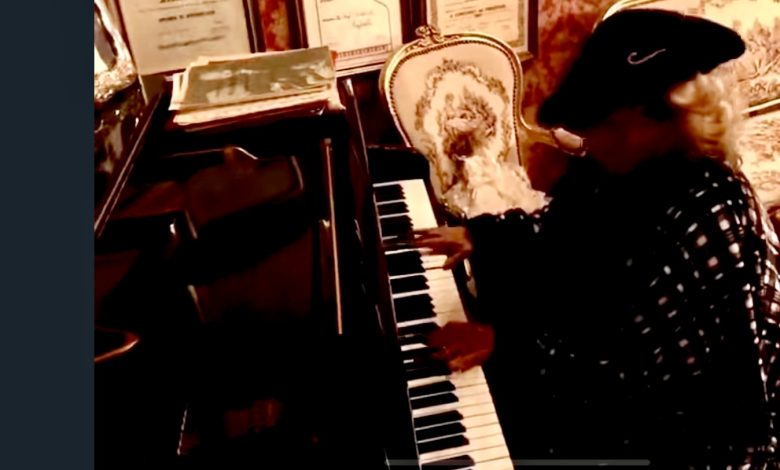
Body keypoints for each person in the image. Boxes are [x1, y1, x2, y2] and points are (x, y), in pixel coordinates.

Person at [414, 9, 780, 469]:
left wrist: (505, 345)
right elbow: (567, 232)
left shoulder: (711, 210)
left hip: (685, 443)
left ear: (666, 119)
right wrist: (481, 236)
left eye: (609, 125)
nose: (590, 141)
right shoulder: (622, 168)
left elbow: (655, 378)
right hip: (601, 390)